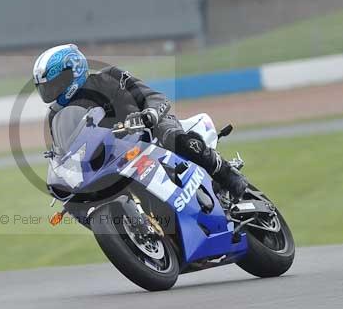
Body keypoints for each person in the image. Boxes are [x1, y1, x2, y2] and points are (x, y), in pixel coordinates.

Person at [32, 43, 248, 201]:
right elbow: (66, 151)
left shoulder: (109, 77)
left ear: (74, 70)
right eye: (47, 88)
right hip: (113, 156)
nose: (52, 91)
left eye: (56, 84)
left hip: (148, 130)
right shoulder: (56, 116)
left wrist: (150, 114)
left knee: (171, 135)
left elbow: (155, 97)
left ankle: (227, 175)